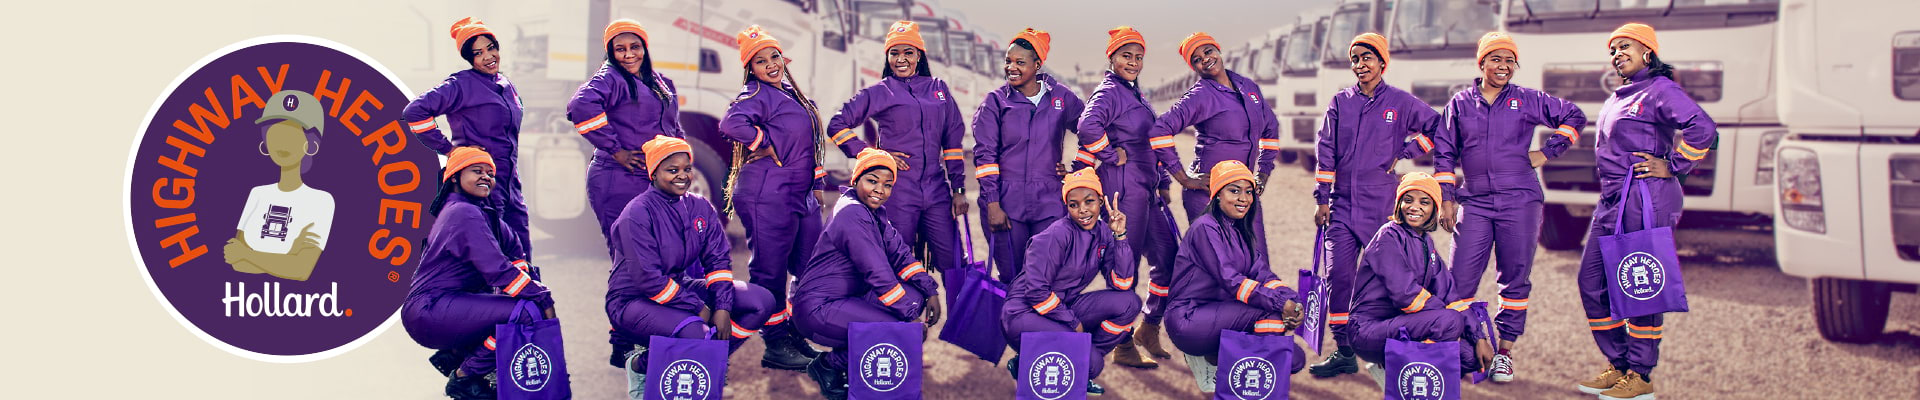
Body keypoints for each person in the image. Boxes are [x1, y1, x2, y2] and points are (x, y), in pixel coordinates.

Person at [1430, 31, 1587, 383]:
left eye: (1510, 61)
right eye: (1496, 59)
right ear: (1481, 62)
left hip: (1521, 201)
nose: (1503, 66)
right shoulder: (1459, 104)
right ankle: (1461, 347)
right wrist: (1448, 197)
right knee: (1459, 281)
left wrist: (1548, 152)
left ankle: (1504, 354)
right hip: (1475, 203)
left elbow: (1574, 117)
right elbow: (1444, 152)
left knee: (1515, 279)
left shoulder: (1528, 100)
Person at [1573, 23, 1717, 400]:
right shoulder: (1621, 95)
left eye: (1625, 47)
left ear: (1648, 53)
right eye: (1613, 50)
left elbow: (1702, 128)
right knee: (1591, 282)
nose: (1617, 54)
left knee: (1641, 287)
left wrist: (1673, 164)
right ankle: (1619, 365)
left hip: (1644, 199)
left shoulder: (1660, 90)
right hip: (1611, 202)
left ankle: (1640, 374)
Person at [606, 136, 792, 398]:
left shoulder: (700, 206)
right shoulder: (636, 213)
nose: (682, 176)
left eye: (687, 168)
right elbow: (647, 279)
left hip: (676, 288)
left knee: (760, 301)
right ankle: (641, 365)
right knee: (696, 330)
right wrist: (700, 308)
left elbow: (717, 262)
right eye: (672, 170)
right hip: (631, 300)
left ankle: (708, 360)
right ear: (654, 173)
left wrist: (724, 308)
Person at [1308, 33, 1444, 378]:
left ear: (1382, 62)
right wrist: (1322, 198)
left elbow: (1438, 128)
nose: (1360, 65)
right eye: (1354, 59)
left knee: (1388, 280)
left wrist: (1407, 152)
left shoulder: (1399, 101)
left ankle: (1389, 347)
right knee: (1338, 278)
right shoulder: (1340, 102)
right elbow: (1326, 151)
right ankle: (1344, 351)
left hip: (1381, 204)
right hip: (1341, 207)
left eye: (1367, 58)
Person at [567, 18, 687, 367]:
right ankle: (622, 343)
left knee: (655, 257)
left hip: (646, 180)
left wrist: (677, 166)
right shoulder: (610, 79)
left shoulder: (659, 81)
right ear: (611, 52)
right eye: (620, 48)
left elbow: (671, 127)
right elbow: (579, 107)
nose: (628, 54)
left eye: (635, 46)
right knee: (628, 261)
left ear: (645, 47)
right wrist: (615, 148)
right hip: (616, 180)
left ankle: (646, 331)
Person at [402, 147, 557, 400]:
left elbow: (516, 256)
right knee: (526, 312)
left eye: (490, 173)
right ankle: (465, 376)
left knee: (521, 306)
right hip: (430, 309)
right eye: (477, 171)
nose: (486, 176)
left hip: (448, 306)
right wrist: (543, 298)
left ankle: (462, 357)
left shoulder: (486, 214)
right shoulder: (462, 212)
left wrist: (531, 289)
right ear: (454, 177)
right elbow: (498, 271)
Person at [717, 25, 829, 370]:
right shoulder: (755, 94)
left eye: (774, 56)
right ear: (751, 68)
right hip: (768, 193)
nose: (771, 64)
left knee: (808, 266)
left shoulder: (789, 93)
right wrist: (760, 142)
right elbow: (730, 123)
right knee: (770, 271)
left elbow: (807, 143)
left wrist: (817, 183)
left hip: (799, 193)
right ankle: (776, 343)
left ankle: (794, 331)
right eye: (761, 61)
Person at [791, 149, 944, 400]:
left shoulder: (875, 213)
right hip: (817, 310)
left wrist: (930, 290)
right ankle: (829, 365)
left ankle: (848, 358)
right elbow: (878, 273)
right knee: (898, 329)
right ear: (856, 180)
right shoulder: (852, 213)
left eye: (887, 185)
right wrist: (907, 319)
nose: (879, 190)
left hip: (844, 300)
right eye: (872, 181)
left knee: (914, 295)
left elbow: (901, 255)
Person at [825, 21, 969, 282]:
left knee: (954, 261)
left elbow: (953, 142)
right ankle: (903, 320)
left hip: (936, 189)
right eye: (894, 53)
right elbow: (837, 125)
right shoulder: (882, 91)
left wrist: (958, 189)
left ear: (919, 55)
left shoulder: (939, 89)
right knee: (896, 258)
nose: (901, 59)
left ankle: (961, 320)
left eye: (908, 52)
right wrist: (872, 156)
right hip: (898, 190)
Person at [1074, 25, 1178, 369]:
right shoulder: (1108, 92)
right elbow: (1088, 126)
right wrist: (1108, 154)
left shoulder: (1133, 92)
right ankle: (1121, 343)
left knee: (1169, 258)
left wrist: (1162, 179)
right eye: (1125, 56)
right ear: (1112, 57)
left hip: (1146, 190)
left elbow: (1151, 140)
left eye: (1138, 57)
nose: (1133, 62)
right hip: (1123, 192)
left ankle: (1148, 328)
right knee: (1125, 268)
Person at [1000, 167, 1139, 395]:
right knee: (1093, 364)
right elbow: (1036, 292)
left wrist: (1120, 237)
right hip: (1022, 314)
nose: (1082, 210)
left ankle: (1068, 356)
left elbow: (1121, 284)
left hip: (1061, 307)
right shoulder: (1056, 234)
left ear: (1101, 202)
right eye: (1073, 204)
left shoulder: (1104, 232)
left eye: (1089, 201)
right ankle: (1036, 357)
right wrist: (1073, 322)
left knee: (1129, 302)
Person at [1347, 172, 1493, 389]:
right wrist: (1452, 323)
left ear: (1434, 209)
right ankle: (1397, 373)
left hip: (1403, 325)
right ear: (1398, 204)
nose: (1414, 207)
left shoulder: (1426, 242)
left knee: (1470, 356)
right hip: (1368, 330)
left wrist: (1478, 336)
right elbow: (1405, 295)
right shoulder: (1388, 236)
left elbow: (1450, 295)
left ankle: (1391, 365)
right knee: (1449, 322)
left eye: (1424, 202)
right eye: (1408, 200)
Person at [403, 17, 531, 261]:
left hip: (509, 181)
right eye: (478, 53)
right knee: (491, 250)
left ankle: (526, 297)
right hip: (479, 180)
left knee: (520, 248)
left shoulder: (506, 85)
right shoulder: (461, 84)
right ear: (469, 59)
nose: (487, 57)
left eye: (491, 48)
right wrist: (449, 150)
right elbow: (414, 112)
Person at [1163, 161, 1306, 374]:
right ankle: (1235, 375)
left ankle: (1218, 358)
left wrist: (1292, 301)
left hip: (1219, 314)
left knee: (1295, 359)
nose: (1244, 198)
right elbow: (1231, 280)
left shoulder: (1240, 231)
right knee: (1272, 318)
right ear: (1217, 194)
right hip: (1189, 318)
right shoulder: (1205, 227)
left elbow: (1263, 274)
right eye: (1234, 190)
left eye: (1248, 192)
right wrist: (1279, 303)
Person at [972, 27, 1083, 284]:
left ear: (1037, 64)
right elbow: (985, 156)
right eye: (1008, 61)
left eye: (1020, 62)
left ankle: (1041, 325)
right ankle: (1014, 324)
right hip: (1006, 201)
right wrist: (992, 204)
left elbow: (1089, 129)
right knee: (1012, 276)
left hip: (1050, 200)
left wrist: (1077, 168)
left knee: (1046, 275)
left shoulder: (1061, 97)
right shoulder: (995, 102)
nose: (1012, 67)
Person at [1147, 32, 1283, 224]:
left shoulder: (1248, 86)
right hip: (1208, 196)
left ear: (1218, 50)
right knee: (1214, 254)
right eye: (1197, 60)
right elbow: (1159, 130)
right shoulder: (1200, 95)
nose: (1206, 59)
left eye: (1208, 51)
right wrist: (1185, 179)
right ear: (1194, 67)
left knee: (1255, 252)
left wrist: (1263, 173)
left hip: (1243, 193)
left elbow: (1271, 128)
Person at [225, 90, 335, 282]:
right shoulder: (257, 194)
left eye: (292, 134)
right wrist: (288, 256)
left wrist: (248, 254)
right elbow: (236, 262)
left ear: (310, 144)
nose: (282, 142)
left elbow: (301, 270)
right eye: (275, 133)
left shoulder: (322, 201)